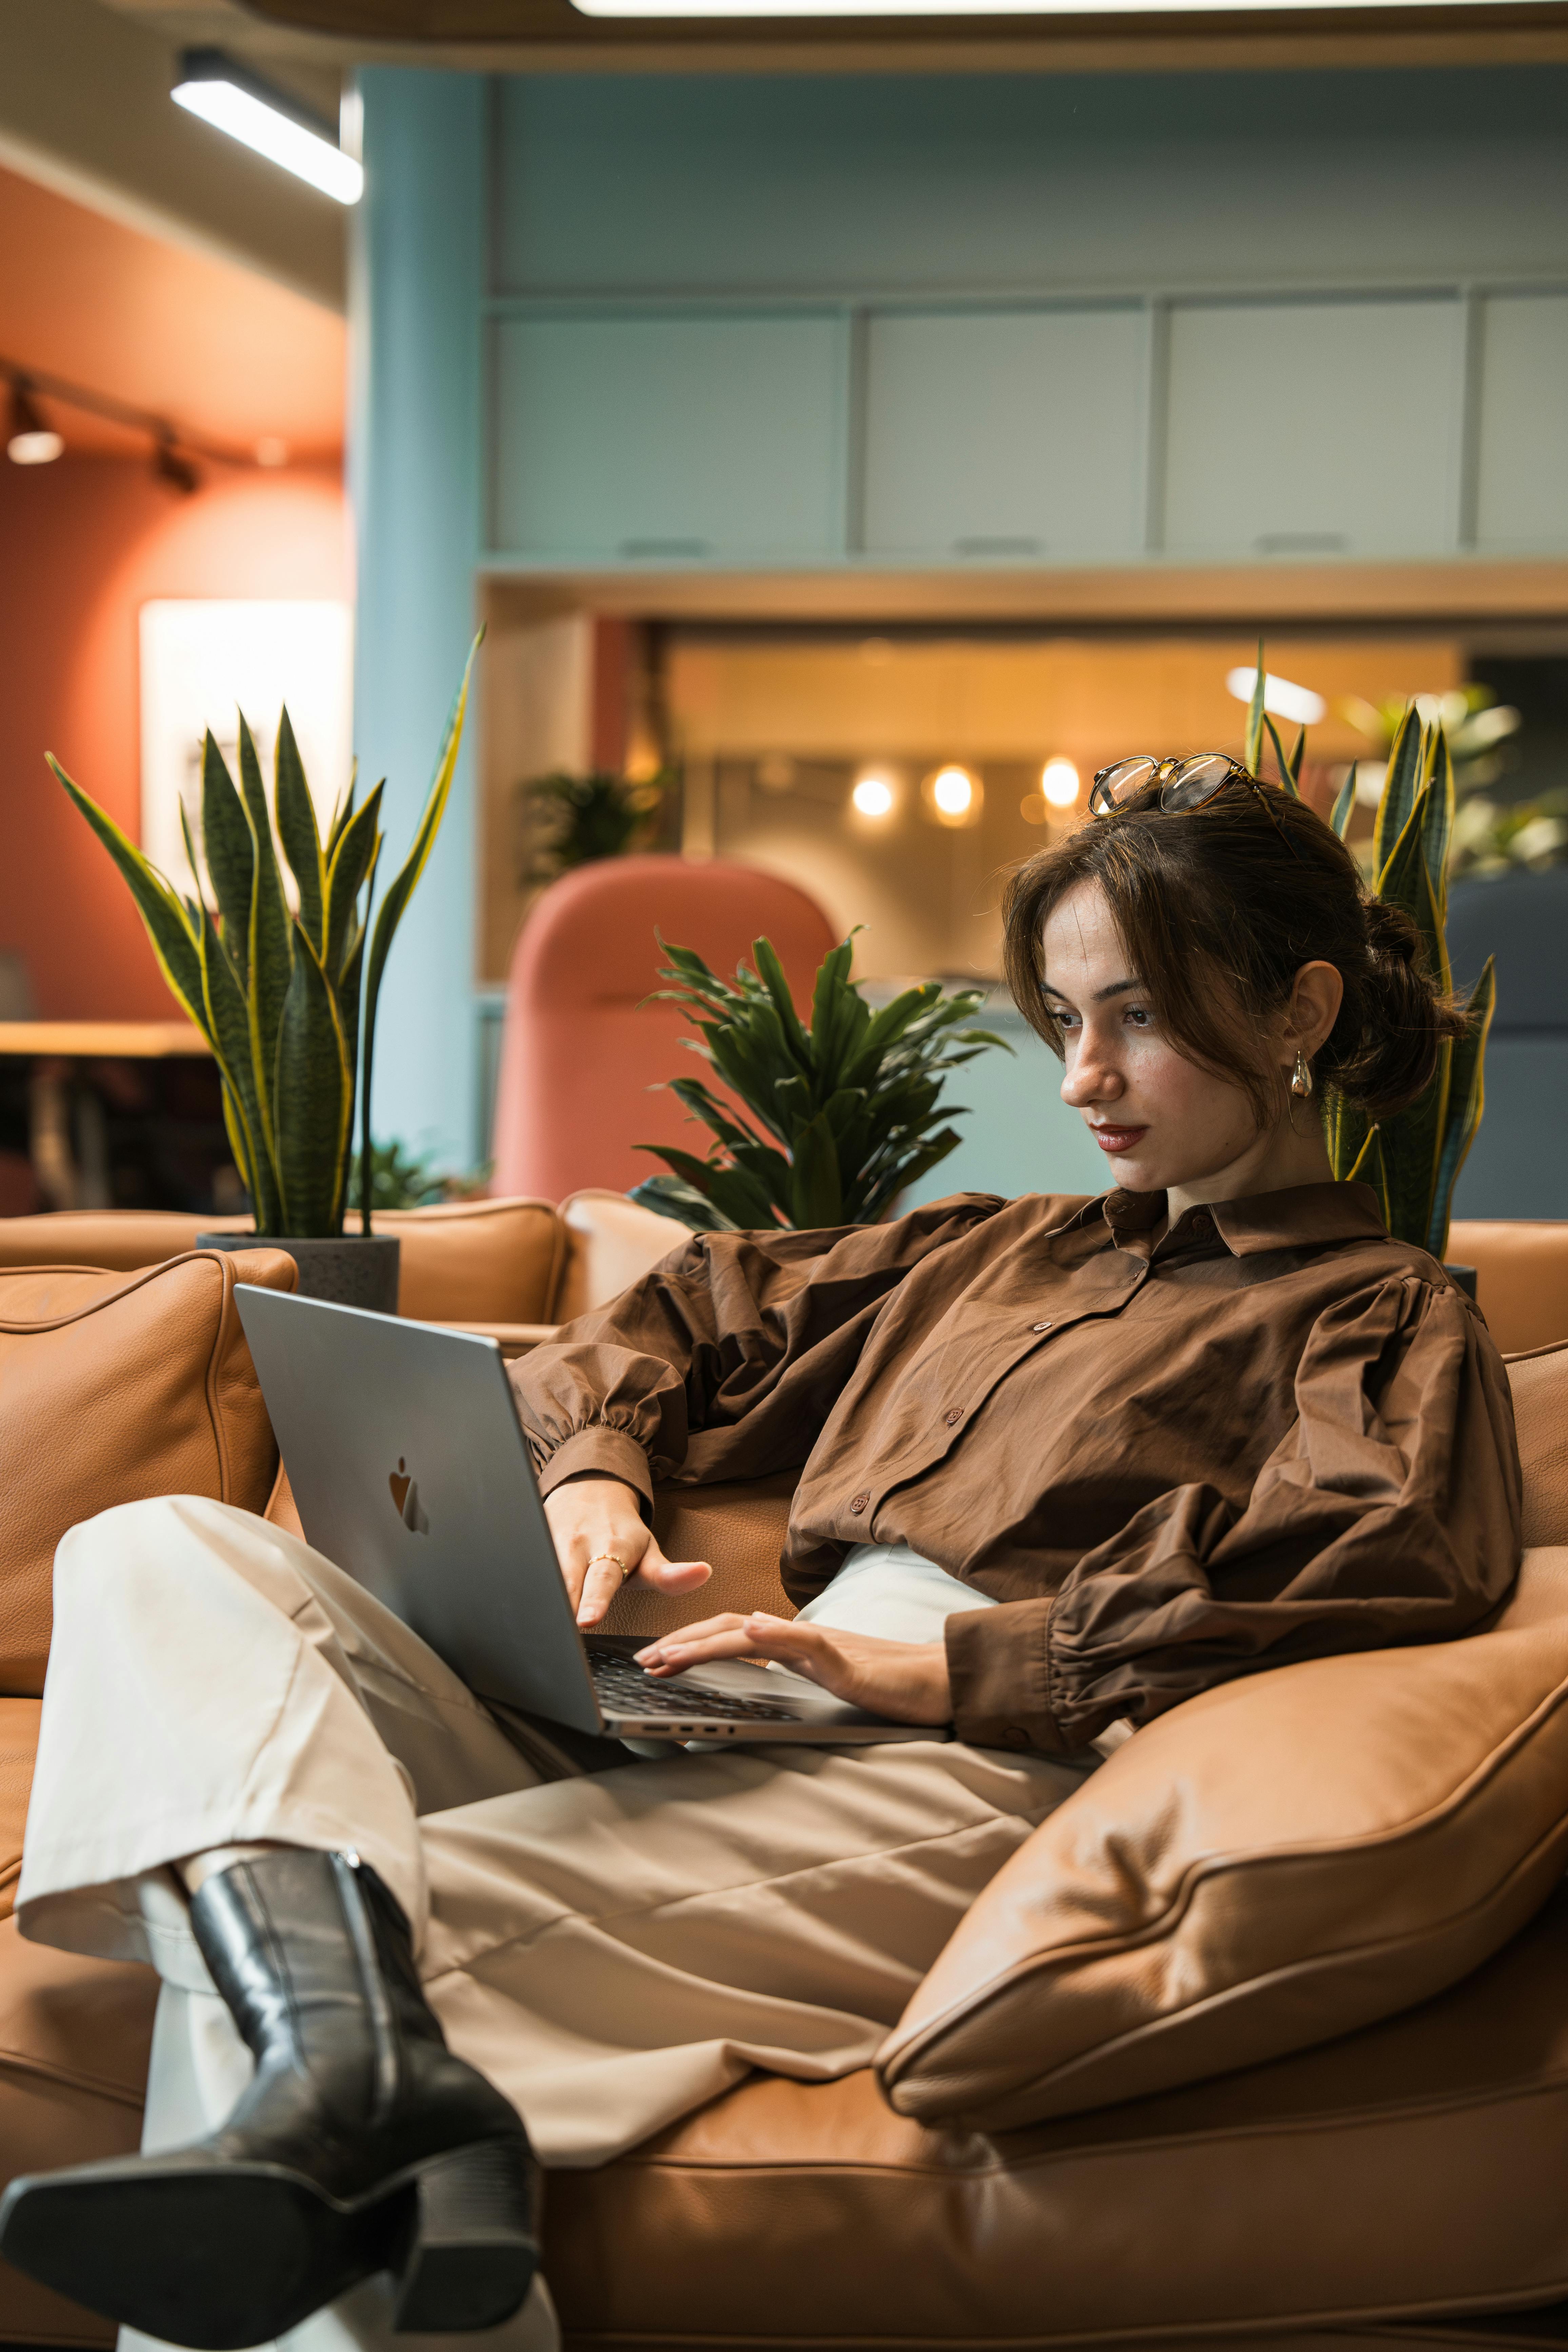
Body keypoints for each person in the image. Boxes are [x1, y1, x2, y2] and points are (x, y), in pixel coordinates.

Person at [0, 756, 1521, 2350]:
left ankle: (359, 2075)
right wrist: (598, 1474)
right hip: (729, 1714)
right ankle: (368, 2075)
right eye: (1064, 1021)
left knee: (349, 1952)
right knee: (159, 1549)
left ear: (1297, 1013)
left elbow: (1386, 1546)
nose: (1082, 1076)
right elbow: (689, 1296)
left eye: (1135, 1016)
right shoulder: (985, 1247)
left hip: (972, 1759)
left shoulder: (1377, 1314)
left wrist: (942, 1662)